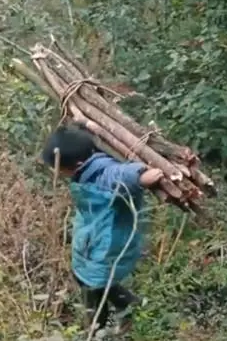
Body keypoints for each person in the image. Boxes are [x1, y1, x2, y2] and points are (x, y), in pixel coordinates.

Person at [41, 123, 164, 335]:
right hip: (93, 235)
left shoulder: (104, 174)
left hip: (106, 243)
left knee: (93, 283)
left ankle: (96, 328)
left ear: (77, 164)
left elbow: (123, 174)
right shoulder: (88, 164)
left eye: (58, 168)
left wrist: (142, 177)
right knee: (87, 277)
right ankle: (130, 304)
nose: (55, 172)